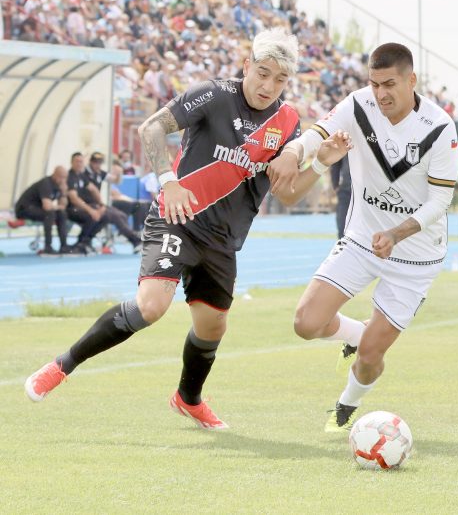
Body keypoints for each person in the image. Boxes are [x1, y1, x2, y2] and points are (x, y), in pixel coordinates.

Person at [24, 28, 351, 431]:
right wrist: (168, 181)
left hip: (223, 242)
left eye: (280, 79)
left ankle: (188, 398)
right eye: (262, 73)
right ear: (247, 65)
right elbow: (151, 128)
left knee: (212, 326)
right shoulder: (213, 94)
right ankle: (62, 365)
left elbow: (287, 196)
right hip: (177, 220)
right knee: (151, 306)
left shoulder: (287, 123)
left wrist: (321, 164)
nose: (269, 86)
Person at [268, 42, 458, 432]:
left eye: (389, 84)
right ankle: (357, 333)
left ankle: (346, 405)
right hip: (361, 240)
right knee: (305, 323)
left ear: (411, 80)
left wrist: (396, 232)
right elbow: (318, 132)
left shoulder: (439, 127)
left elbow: (441, 199)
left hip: (416, 256)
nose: (381, 93)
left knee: (372, 356)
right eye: (374, 84)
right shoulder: (359, 105)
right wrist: (292, 151)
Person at [83, 152, 143, 252]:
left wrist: (119, 172)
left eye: (100, 162)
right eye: (95, 162)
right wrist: (102, 205)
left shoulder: (99, 172)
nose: (98, 165)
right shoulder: (85, 173)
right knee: (114, 216)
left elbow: (116, 181)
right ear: (91, 162)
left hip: (97, 204)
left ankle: (86, 240)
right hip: (88, 204)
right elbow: (94, 190)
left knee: (121, 215)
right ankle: (135, 240)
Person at [14, 166, 71, 255]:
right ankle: (48, 246)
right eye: (61, 177)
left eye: (65, 177)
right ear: (55, 175)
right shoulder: (46, 184)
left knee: (62, 214)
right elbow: (47, 207)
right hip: (24, 209)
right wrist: (58, 207)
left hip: (37, 209)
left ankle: (64, 246)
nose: (63, 180)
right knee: (50, 214)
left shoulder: (59, 186)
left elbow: (63, 206)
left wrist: (64, 193)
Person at [66, 152, 108, 253]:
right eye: (77, 161)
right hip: (71, 208)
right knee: (92, 216)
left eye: (81, 162)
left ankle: (86, 242)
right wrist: (91, 210)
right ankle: (80, 243)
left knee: (105, 215)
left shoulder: (81, 176)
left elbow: (93, 189)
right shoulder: (70, 177)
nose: (79, 164)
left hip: (83, 207)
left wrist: (101, 205)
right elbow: (74, 199)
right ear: (71, 162)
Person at [330, 156, 351, 239]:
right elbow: (335, 162)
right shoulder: (345, 142)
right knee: (342, 228)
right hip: (346, 191)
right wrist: (335, 185)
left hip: (366, 192)